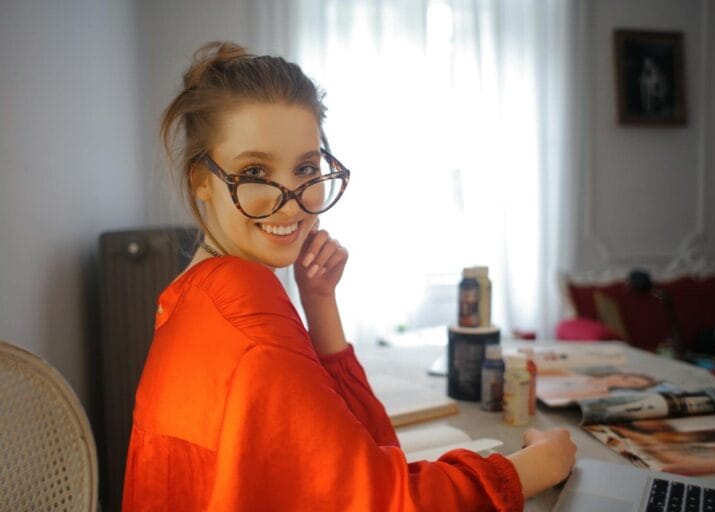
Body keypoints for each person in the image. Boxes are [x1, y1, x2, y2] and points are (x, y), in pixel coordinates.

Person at [122, 41, 576, 511]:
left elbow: (358, 453)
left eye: (305, 168)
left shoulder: (193, 294)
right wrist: (534, 468)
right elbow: (381, 500)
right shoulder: (242, 304)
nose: (293, 199)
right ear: (200, 178)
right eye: (255, 170)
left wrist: (318, 299)